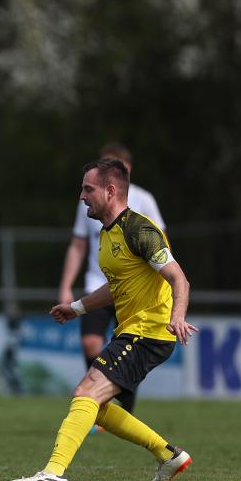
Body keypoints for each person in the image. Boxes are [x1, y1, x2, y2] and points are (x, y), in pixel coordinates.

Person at [11, 158, 196, 481]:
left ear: (110, 191)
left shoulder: (140, 230)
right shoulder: (107, 235)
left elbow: (179, 279)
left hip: (149, 331)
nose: (81, 196)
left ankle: (53, 472)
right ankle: (168, 455)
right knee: (94, 404)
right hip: (133, 331)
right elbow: (117, 286)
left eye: (88, 189)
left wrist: (177, 316)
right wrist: (77, 308)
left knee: (85, 391)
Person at [58, 143, 165, 418]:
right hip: (100, 285)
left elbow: (162, 250)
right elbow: (78, 245)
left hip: (135, 292)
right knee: (91, 344)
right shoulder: (90, 204)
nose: (83, 195)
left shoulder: (143, 203)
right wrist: (67, 289)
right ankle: (98, 400)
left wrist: (169, 298)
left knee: (128, 352)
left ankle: (113, 406)